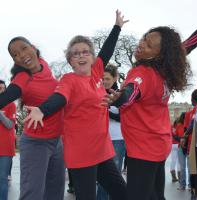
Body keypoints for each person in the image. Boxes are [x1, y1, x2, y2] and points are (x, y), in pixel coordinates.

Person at [24, 10, 128, 200]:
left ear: (92, 58)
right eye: (75, 54)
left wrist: (117, 27)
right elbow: (59, 98)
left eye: (85, 52)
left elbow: (107, 50)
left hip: (101, 149)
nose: (81, 55)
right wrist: (42, 110)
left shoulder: (97, 72)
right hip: (81, 152)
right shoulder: (69, 80)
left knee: (122, 193)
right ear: (70, 61)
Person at [102, 26, 191, 200]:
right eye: (144, 38)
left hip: (144, 148)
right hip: (159, 143)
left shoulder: (142, 73)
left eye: (149, 45)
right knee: (155, 195)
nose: (142, 44)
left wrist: (120, 98)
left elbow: (132, 91)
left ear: (157, 55)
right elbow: (184, 48)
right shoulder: (164, 72)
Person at [0, 37, 65, 200]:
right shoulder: (22, 77)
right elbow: (7, 96)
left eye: (24, 48)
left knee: (56, 192)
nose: (21, 55)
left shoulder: (43, 63)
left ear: (33, 47)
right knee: (32, 195)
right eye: (15, 55)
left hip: (57, 141)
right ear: (15, 61)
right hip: (37, 143)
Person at [97, 65, 126, 200]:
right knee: (102, 178)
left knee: (114, 177)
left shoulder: (121, 94)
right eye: (102, 78)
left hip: (116, 139)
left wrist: (106, 110)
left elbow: (123, 117)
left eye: (107, 78)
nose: (104, 81)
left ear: (115, 78)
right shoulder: (97, 92)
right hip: (99, 139)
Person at [0, 80, 16, 200]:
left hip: (5, 149)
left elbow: (10, 125)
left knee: (2, 179)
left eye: (2, 88)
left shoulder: (11, 105)